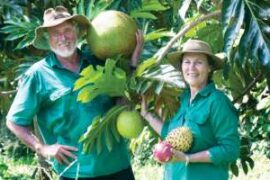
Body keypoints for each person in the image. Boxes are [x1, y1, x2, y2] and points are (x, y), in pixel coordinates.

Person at [6, 6, 143, 179]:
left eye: (67, 30)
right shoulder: (38, 75)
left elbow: (121, 100)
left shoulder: (100, 62)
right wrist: (42, 148)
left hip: (117, 165)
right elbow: (14, 121)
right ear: (48, 39)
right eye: (55, 33)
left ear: (77, 32)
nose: (63, 38)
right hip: (74, 171)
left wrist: (133, 63)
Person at [141, 39, 240, 180]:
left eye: (198, 62)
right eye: (187, 62)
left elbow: (230, 150)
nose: (191, 68)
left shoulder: (217, 102)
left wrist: (188, 158)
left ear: (209, 67)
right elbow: (170, 134)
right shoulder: (183, 99)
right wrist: (146, 115)